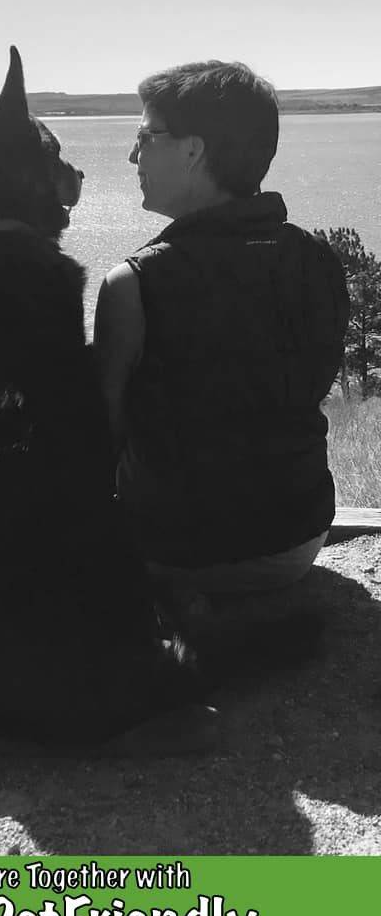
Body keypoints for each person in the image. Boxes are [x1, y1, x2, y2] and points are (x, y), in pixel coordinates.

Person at [94, 60, 350, 592]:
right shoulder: (320, 261)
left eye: (146, 136)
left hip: (177, 552)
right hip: (298, 539)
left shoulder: (133, 284)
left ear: (193, 151)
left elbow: (103, 437)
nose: (132, 153)